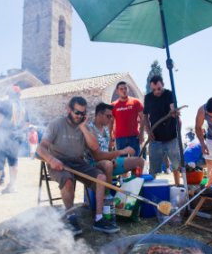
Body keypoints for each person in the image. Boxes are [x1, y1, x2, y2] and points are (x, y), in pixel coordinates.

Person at [37, 96, 119, 235]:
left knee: (100, 177)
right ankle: (71, 217)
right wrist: (51, 160)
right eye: (77, 112)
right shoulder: (56, 124)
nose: (79, 116)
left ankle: (99, 219)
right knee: (68, 180)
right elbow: (40, 148)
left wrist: (82, 127)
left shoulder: (84, 126)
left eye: (82, 113)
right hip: (59, 162)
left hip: (79, 162)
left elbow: (94, 147)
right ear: (68, 109)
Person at [0, 85, 29, 196]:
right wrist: (17, 130)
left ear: (9, 94)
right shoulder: (23, 106)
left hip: (2, 138)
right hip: (15, 138)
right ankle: (12, 186)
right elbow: (27, 124)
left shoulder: (5, 103)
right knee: (13, 162)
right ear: (19, 95)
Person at [86, 102, 145, 184]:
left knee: (139, 161)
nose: (110, 119)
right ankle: (107, 194)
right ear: (99, 114)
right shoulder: (89, 129)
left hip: (107, 162)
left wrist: (112, 159)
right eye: (108, 116)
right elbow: (97, 156)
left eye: (111, 116)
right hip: (93, 165)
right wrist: (122, 151)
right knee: (108, 165)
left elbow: (107, 150)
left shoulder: (105, 129)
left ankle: (134, 188)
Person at [143, 75, 182, 185]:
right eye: (154, 89)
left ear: (163, 85)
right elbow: (145, 116)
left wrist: (174, 112)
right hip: (155, 138)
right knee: (153, 168)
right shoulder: (148, 98)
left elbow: (172, 107)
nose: (156, 92)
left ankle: (178, 186)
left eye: (159, 88)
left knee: (176, 165)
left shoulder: (169, 94)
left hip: (171, 137)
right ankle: (152, 188)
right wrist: (148, 130)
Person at [111, 81, 145, 155]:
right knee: (122, 162)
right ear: (117, 91)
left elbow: (143, 118)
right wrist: (111, 137)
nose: (124, 90)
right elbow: (111, 122)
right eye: (121, 89)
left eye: (125, 88)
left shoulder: (136, 102)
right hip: (120, 138)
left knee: (136, 161)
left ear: (128, 89)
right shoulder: (113, 105)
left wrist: (141, 133)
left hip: (134, 137)